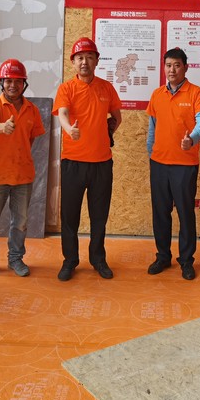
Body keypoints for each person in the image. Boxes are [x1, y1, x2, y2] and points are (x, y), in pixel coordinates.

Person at [53, 37, 122, 281]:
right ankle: (70, 260)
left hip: (102, 163)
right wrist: (69, 129)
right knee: (70, 216)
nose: (84, 62)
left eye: (89, 57)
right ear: (73, 62)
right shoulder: (67, 88)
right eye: (80, 58)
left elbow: (117, 116)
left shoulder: (106, 88)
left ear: (96, 61)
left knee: (99, 216)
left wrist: (108, 131)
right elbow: (62, 113)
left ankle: (98, 259)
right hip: (73, 162)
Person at [0, 58, 45, 280]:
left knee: (20, 223)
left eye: (18, 81)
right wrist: (2, 127)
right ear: (1, 82)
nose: (13, 85)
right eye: (8, 81)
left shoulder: (32, 110)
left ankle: (15, 259)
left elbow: (31, 138)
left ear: (24, 84)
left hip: (22, 175)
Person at [145, 47, 200, 280]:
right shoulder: (157, 94)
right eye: (168, 65)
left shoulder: (196, 93)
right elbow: (152, 127)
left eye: (177, 65)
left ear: (185, 67)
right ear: (164, 68)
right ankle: (163, 256)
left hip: (185, 165)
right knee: (160, 213)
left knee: (185, 213)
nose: (172, 70)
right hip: (159, 164)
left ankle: (186, 260)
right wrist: (151, 152)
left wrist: (191, 139)